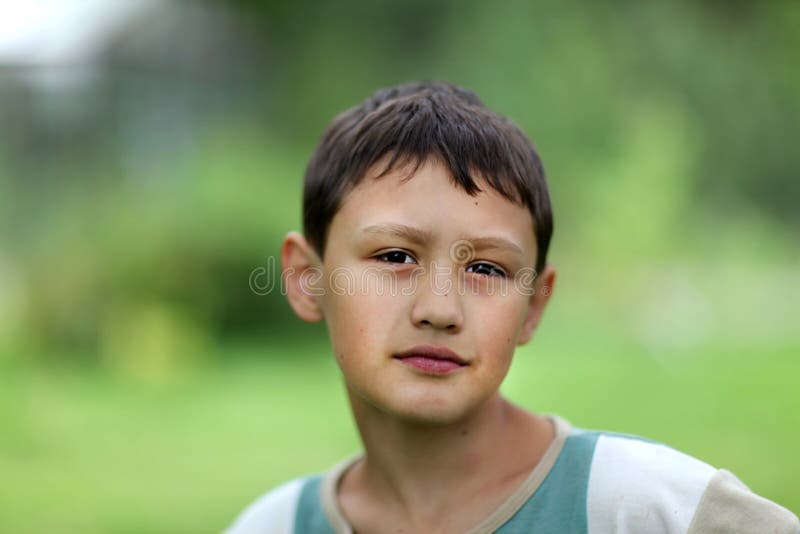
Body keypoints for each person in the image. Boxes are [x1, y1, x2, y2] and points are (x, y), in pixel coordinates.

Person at [226, 82, 799, 533]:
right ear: (307, 279)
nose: (440, 309)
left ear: (532, 306)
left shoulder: (651, 512)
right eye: (396, 255)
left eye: (486, 269)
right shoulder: (272, 526)